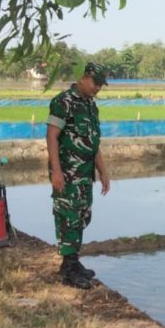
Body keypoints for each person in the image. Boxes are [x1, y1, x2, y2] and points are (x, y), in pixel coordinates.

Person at [46, 62, 110, 289]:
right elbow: (52, 136)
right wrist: (56, 171)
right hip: (67, 174)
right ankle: (69, 269)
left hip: (85, 174)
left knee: (82, 217)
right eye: (95, 83)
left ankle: (72, 262)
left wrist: (102, 171)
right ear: (83, 78)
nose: (98, 88)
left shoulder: (91, 106)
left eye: (101, 85)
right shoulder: (63, 102)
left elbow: (93, 143)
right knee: (67, 217)